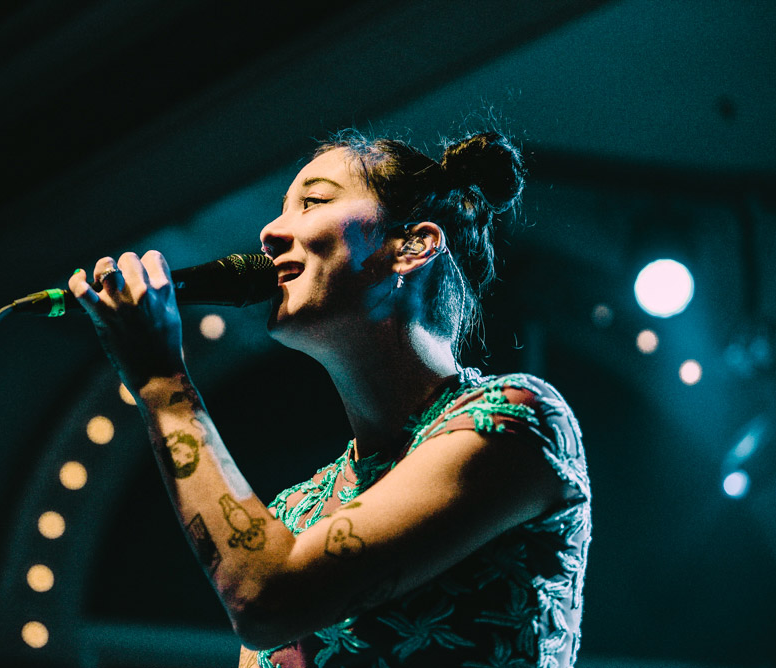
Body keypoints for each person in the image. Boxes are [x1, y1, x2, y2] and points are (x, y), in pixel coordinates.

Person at [67, 127, 591, 668]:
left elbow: (267, 599)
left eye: (313, 202)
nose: (269, 232)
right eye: (282, 210)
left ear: (412, 246)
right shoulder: (292, 513)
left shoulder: (516, 422)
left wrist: (160, 381)